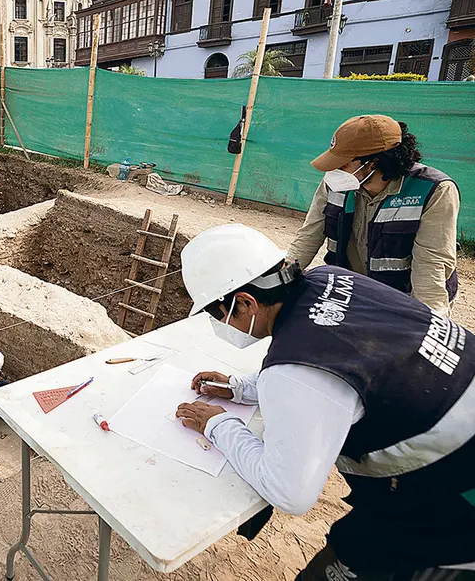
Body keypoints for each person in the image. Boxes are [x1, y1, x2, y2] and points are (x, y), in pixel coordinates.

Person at [175, 224, 475, 580]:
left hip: (454, 507)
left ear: (245, 302)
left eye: (216, 313)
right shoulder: (330, 279)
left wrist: (217, 423)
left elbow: (290, 492)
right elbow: (350, 357)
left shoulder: (293, 373)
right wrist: (243, 388)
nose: (218, 325)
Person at [285, 115, 460, 316]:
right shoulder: (337, 184)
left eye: (343, 165)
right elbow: (308, 236)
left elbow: (431, 266)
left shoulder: (433, 191)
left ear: (374, 163)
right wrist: (278, 279)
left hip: (404, 299)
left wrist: (428, 321)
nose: (334, 171)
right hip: (355, 292)